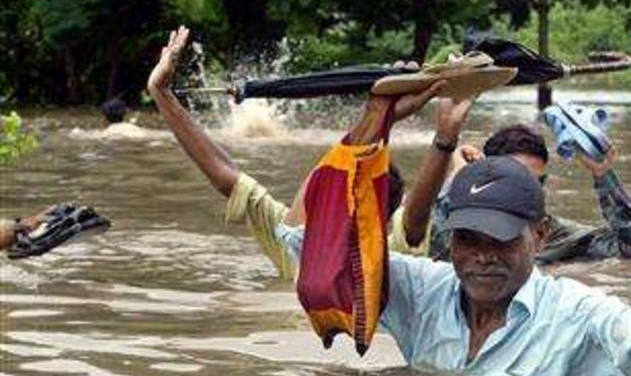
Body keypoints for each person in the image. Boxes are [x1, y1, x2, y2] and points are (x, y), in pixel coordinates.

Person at [149, 27, 631, 376]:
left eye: (501, 240)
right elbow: (319, 256)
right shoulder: (422, 288)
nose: (481, 256)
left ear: (539, 235)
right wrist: (377, 119)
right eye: (468, 239)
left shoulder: (574, 311)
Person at [147, 26, 473, 282]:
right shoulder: (296, 240)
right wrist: (160, 93)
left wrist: (448, 139)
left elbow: (418, 211)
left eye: (327, 193)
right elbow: (223, 173)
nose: (318, 198)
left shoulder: (392, 253)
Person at [395, 123, 631, 264]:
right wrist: (459, 177)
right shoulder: (459, 225)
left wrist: (602, 175)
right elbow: (442, 254)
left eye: (538, 182)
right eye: (518, 180)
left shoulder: (550, 233)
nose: (531, 191)